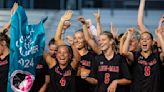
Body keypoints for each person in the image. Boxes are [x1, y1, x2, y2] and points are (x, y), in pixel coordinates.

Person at [78, 16, 132, 92]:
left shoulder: (119, 58)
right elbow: (95, 81)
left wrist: (115, 82)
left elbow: (128, 80)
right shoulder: (97, 58)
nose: (100, 42)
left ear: (111, 41)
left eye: (103, 40)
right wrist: (86, 78)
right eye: (99, 40)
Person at [121, 28, 164, 92]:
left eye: (147, 39)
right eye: (142, 39)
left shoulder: (157, 56)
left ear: (152, 42)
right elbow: (124, 52)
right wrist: (129, 35)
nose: (144, 41)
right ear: (139, 43)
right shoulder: (135, 55)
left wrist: (160, 35)